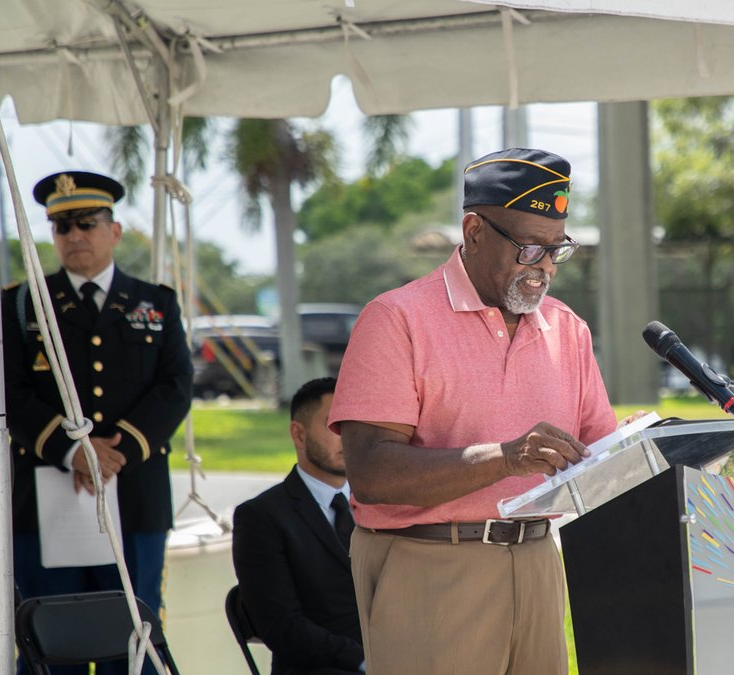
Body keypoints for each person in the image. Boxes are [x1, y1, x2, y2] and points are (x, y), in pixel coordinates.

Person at [329, 147, 618, 674]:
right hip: (432, 566)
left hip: (536, 562)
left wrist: (655, 447)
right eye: (530, 248)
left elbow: (599, 456)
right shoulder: (397, 319)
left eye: (557, 250)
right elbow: (370, 473)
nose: (546, 269)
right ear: (474, 231)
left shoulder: (568, 329)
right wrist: (506, 459)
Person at [3, 170, 192, 674]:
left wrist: (116, 451)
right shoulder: (21, 304)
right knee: (50, 632)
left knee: (132, 630)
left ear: (115, 230)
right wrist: (73, 451)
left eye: (87, 223)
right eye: (63, 227)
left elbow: (176, 386)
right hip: (48, 494)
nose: (75, 236)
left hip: (132, 492)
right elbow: (9, 392)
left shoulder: (156, 303)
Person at [232, 377, 365, 674]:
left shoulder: (382, 501)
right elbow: (281, 627)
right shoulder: (260, 517)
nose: (349, 435)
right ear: (299, 434)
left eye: (355, 423)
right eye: (335, 424)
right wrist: (366, 660)